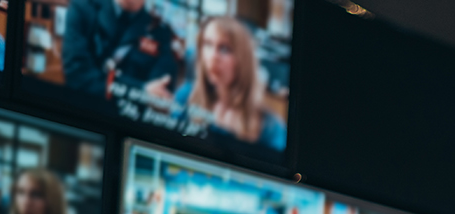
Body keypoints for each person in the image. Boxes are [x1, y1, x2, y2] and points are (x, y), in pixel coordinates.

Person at [174, 16, 287, 150]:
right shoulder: (185, 96)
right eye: (208, 44)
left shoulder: (271, 128)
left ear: (243, 60)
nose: (213, 57)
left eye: (224, 49)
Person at [61, 0, 182, 105]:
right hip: (78, 115)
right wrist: (141, 91)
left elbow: (159, 94)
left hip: (127, 126)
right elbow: (77, 76)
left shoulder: (161, 34)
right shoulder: (83, 9)